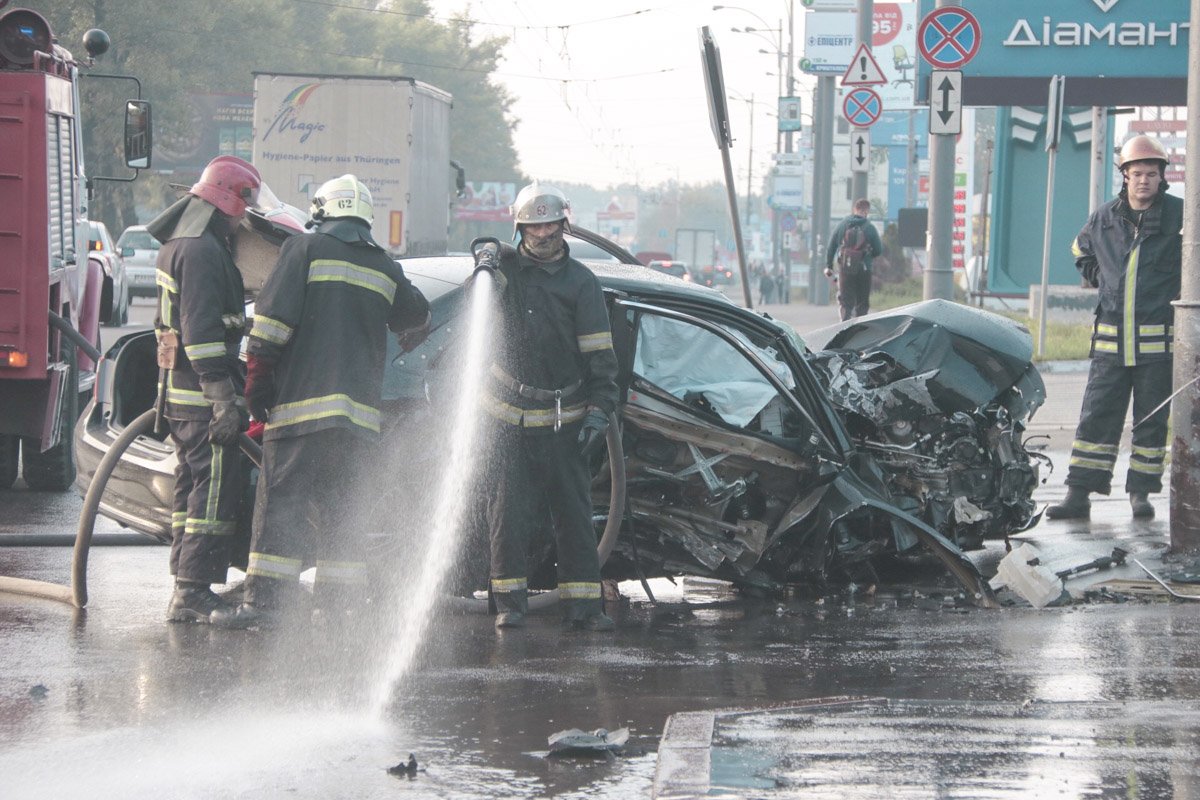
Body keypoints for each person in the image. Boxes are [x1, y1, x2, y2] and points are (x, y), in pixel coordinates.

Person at [211, 174, 430, 628]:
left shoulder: (304, 250)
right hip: (358, 426)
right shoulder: (384, 267)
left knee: (283, 506)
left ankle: (266, 606)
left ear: (322, 212)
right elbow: (416, 314)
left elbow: (270, 326)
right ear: (364, 217)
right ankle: (336, 609)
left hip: (300, 415)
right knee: (344, 511)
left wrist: (256, 386)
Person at [477, 181, 620, 632]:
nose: (543, 234)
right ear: (521, 228)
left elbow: (601, 356)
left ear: (565, 225)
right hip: (507, 418)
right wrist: (482, 258)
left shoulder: (582, 283)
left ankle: (584, 609)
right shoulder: (505, 275)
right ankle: (509, 607)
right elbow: (476, 298)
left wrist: (600, 408)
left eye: (551, 224)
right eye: (534, 225)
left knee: (574, 516)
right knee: (508, 515)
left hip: (565, 420)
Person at [1046, 135, 1182, 521]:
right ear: (1124, 175)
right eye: (1136, 173)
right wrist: (1099, 278)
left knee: (1151, 420)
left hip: (1158, 345)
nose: (1143, 180)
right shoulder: (1104, 217)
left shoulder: (1181, 217)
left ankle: (1141, 493)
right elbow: (1079, 249)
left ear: (1161, 178)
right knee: (1096, 418)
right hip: (1110, 343)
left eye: (1151, 174)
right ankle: (1078, 495)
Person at [149, 155, 260, 623]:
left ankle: (184, 586)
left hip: (180, 395)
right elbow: (201, 333)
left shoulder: (180, 244)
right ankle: (193, 590)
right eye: (241, 211)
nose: (241, 223)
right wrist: (222, 402)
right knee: (211, 493)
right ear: (228, 204)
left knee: (191, 490)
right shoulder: (202, 252)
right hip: (202, 398)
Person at [824, 198, 883, 321]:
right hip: (864, 268)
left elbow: (832, 245)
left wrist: (829, 265)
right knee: (862, 302)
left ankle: (845, 328)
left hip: (845, 268)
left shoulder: (843, 224)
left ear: (854, 209)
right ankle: (859, 329)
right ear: (867, 211)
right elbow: (878, 250)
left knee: (846, 301)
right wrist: (868, 256)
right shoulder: (870, 227)